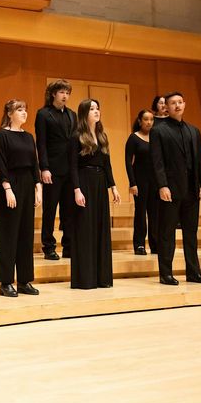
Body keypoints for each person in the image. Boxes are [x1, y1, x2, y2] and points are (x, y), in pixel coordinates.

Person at [150, 91, 201, 285]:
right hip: (170, 190)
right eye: (173, 103)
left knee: (191, 233)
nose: (177, 106)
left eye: (180, 102)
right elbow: (157, 162)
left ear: (184, 104)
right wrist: (162, 185)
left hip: (191, 190)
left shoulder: (194, 130)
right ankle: (165, 273)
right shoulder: (159, 130)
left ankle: (193, 272)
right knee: (167, 233)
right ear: (166, 107)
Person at [0, 100, 42, 297]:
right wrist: (7, 188)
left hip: (28, 184)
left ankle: (24, 280)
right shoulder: (3, 135)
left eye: (25, 110)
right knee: (9, 234)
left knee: (25, 234)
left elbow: (34, 163)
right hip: (10, 185)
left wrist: (38, 187)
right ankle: (6, 282)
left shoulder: (29, 137)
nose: (24, 113)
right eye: (19, 110)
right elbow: (1, 164)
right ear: (10, 113)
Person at [71, 99, 119, 289]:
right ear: (84, 113)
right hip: (84, 182)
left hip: (100, 184)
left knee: (101, 227)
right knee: (85, 229)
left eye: (98, 108)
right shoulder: (76, 136)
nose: (96, 111)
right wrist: (76, 190)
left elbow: (107, 164)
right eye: (92, 109)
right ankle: (86, 279)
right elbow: (72, 166)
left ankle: (102, 277)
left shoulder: (102, 135)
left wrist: (113, 187)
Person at [36, 79, 77, 260]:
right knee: (50, 210)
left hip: (70, 169)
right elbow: (41, 143)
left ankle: (68, 246)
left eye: (67, 93)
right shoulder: (43, 114)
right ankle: (49, 246)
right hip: (52, 169)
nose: (65, 96)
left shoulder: (72, 115)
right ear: (53, 93)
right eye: (62, 92)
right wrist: (44, 167)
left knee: (69, 210)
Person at [124, 109, 158, 256]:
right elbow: (128, 162)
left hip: (155, 181)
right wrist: (132, 183)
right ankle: (139, 245)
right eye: (146, 119)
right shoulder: (133, 138)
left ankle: (155, 244)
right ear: (140, 121)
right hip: (140, 180)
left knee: (155, 213)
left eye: (151, 119)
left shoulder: (157, 138)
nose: (149, 122)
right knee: (140, 213)